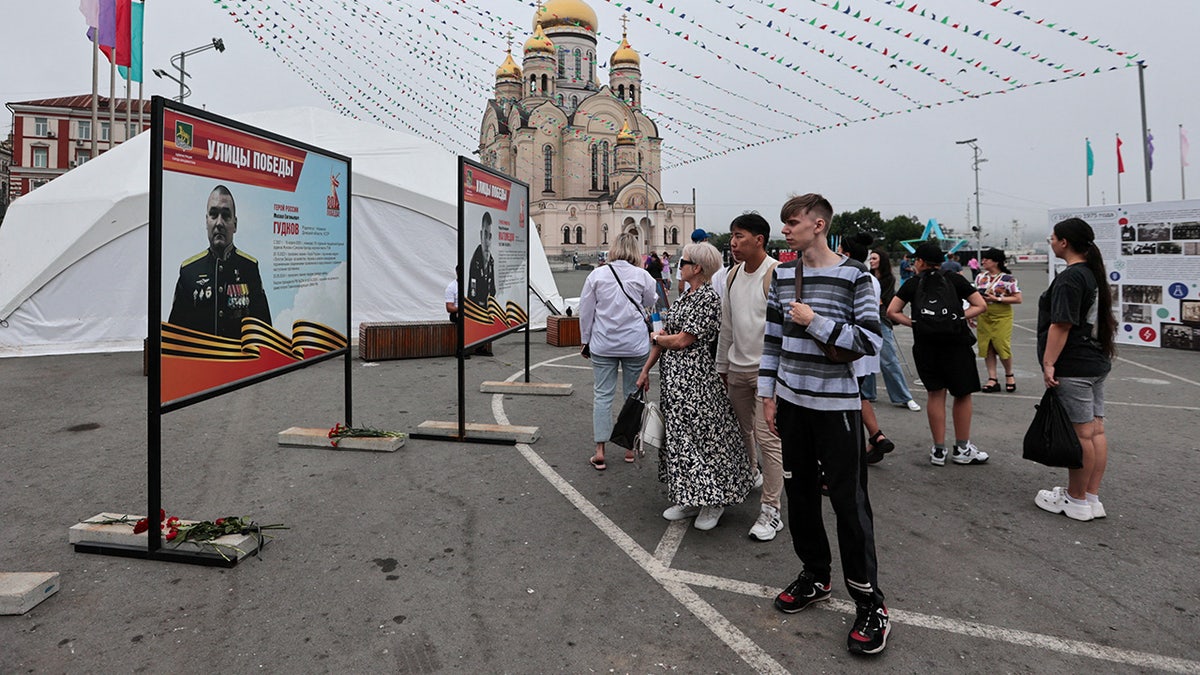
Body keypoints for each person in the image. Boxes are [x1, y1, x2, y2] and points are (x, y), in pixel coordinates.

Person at [759, 194, 889, 656]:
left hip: (836, 408)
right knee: (799, 498)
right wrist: (768, 394)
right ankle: (815, 575)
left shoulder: (856, 276)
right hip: (791, 404)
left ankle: (870, 602)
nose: (785, 230)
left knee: (850, 505)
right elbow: (772, 340)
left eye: (792, 223)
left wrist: (815, 321)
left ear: (818, 225)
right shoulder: (783, 275)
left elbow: (870, 341)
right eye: (784, 223)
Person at [637, 241, 752, 531]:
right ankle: (690, 496)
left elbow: (681, 340)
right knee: (679, 439)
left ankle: (714, 500)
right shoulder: (685, 297)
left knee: (704, 438)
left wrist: (657, 338)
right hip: (675, 381)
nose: (680, 267)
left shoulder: (708, 299)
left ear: (697, 268)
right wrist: (646, 369)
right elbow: (666, 335)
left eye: (684, 262)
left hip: (697, 381)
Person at [1034, 218, 1115, 522]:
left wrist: (1049, 363)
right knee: (1095, 430)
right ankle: (1091, 496)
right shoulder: (1092, 274)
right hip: (1094, 361)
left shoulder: (1070, 278)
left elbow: (1062, 324)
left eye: (1053, 238)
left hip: (1075, 365)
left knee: (1081, 434)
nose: (1051, 241)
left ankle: (1076, 499)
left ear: (1064, 242)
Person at [714, 213, 783, 541]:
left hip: (767, 372)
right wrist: (722, 368)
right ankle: (752, 473)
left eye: (739, 235)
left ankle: (771, 509)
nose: (733, 242)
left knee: (768, 438)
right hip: (738, 368)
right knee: (743, 432)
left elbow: (785, 332)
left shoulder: (775, 274)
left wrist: (779, 375)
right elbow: (727, 327)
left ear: (759, 239)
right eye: (732, 236)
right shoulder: (731, 275)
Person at [887, 242, 988, 467]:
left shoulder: (913, 283)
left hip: (926, 345)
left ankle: (939, 450)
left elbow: (892, 311)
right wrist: (959, 317)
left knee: (935, 393)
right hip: (956, 344)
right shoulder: (955, 280)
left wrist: (915, 323)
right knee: (962, 394)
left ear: (921, 262)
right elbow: (980, 305)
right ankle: (962, 447)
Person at [579, 233, 658, 470]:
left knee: (602, 395)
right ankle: (629, 447)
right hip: (634, 343)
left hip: (603, 342)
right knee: (632, 395)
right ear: (635, 250)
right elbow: (650, 301)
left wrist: (585, 340)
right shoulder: (642, 275)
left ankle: (600, 449)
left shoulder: (597, 275)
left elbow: (586, 311)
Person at [169, 185, 271, 338]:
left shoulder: (249, 268)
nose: (219, 223)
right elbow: (174, 338)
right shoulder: (189, 272)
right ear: (206, 221)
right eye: (213, 214)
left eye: (226, 215)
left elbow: (264, 333)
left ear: (235, 224)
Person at [839, 233, 895, 465]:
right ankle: (876, 436)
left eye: (839, 249)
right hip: (863, 352)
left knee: (848, 402)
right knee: (858, 395)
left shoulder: (851, 277)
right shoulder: (871, 278)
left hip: (850, 348)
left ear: (847, 254)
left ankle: (857, 449)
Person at [867, 248, 921, 412]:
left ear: (881, 260)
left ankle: (904, 396)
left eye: (874, 258)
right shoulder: (866, 276)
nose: (871, 261)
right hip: (867, 319)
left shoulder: (888, 279)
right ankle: (867, 393)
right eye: (870, 258)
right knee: (866, 357)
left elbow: (883, 300)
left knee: (889, 359)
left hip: (881, 320)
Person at [973, 248, 1022, 393]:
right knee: (986, 346)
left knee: (1001, 345)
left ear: (996, 262)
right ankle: (992, 378)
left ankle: (1009, 374)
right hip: (984, 314)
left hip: (1001, 315)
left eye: (986, 259)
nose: (983, 261)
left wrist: (997, 299)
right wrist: (972, 314)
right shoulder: (980, 277)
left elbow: (1018, 298)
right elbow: (974, 296)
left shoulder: (1008, 279)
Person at [445, 267, 490, 357]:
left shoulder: (471, 283)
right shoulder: (451, 287)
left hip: (470, 311)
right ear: (457, 273)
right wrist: (462, 308)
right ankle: (461, 350)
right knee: (464, 321)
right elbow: (449, 308)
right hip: (457, 313)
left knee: (483, 318)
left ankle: (480, 348)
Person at [467, 212, 497, 308]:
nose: (487, 241)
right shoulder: (475, 262)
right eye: (485, 234)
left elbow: (493, 290)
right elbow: (472, 295)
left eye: (490, 236)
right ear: (481, 235)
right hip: (477, 310)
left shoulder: (491, 261)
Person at [677, 228, 709, 297]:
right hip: (705, 296)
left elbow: (681, 286)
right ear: (704, 240)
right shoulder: (709, 259)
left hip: (688, 296)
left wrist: (681, 298)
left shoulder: (684, 258)